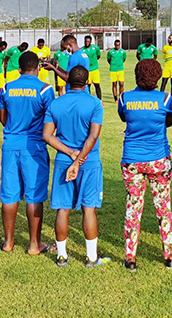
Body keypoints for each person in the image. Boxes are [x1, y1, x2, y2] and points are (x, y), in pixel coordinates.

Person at [117, 59, 172, 270]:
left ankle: (130, 259)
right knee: (164, 208)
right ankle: (170, 256)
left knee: (133, 208)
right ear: (158, 76)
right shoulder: (165, 98)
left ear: (136, 75)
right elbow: (169, 122)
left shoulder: (124, 98)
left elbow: (123, 118)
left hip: (132, 161)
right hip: (159, 160)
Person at [43, 65, 110, 268]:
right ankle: (91, 258)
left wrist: (71, 155)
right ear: (87, 82)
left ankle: (62, 256)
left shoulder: (56, 103)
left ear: (67, 81)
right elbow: (93, 136)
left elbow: (47, 135)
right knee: (89, 209)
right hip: (88, 162)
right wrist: (79, 158)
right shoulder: (95, 103)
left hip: (64, 161)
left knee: (63, 210)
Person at [0, 51, 55, 254]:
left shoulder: (7, 87)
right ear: (39, 68)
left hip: (11, 146)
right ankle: (34, 244)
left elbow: (3, 118)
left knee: (9, 195)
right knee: (34, 196)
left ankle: (8, 242)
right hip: (34, 148)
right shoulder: (45, 89)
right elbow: (51, 121)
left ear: (19, 69)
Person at [81, 35, 103, 100]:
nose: (87, 43)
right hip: (87, 70)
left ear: (91, 41)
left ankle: (100, 100)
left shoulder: (96, 48)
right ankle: (89, 100)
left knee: (97, 85)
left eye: (88, 41)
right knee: (88, 86)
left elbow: (98, 56)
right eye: (85, 41)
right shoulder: (82, 50)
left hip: (95, 69)